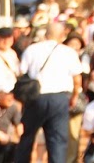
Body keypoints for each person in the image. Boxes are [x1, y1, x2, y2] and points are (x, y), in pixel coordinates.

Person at [15, 22, 79, 163]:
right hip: (60, 98)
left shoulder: (32, 49)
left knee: (27, 137)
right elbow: (77, 79)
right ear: (63, 36)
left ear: (45, 34)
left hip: (36, 97)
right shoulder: (69, 52)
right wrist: (74, 96)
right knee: (57, 141)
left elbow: (21, 72)